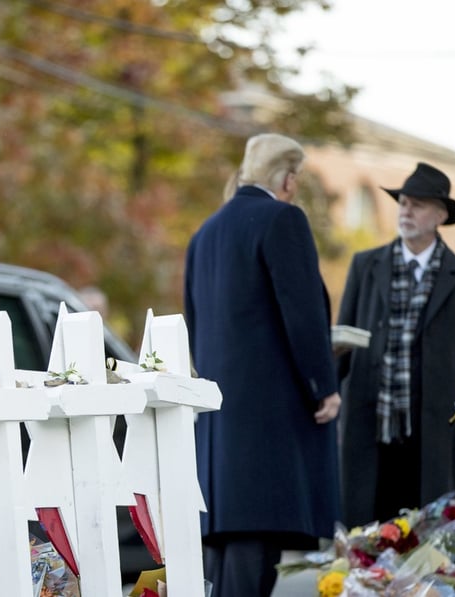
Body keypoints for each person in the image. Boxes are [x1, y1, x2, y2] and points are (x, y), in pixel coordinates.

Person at [185, 133, 342, 597]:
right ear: (289, 179)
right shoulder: (282, 219)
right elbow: (303, 312)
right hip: (269, 421)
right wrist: (323, 385)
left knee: (225, 557)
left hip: (219, 422)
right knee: (256, 554)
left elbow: (195, 324)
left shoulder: (205, 233)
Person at [337, 162, 455, 527]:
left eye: (417, 205)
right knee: (365, 539)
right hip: (368, 426)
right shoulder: (365, 265)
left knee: (430, 538)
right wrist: (330, 401)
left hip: (434, 434)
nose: (405, 211)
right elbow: (342, 343)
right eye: (402, 203)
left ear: (439, 215)